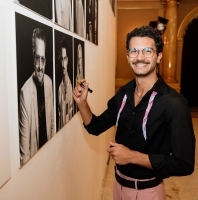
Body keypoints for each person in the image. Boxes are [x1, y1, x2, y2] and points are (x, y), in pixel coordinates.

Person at [73, 26, 195, 200]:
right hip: (118, 186)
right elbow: (96, 127)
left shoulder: (174, 103)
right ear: (127, 56)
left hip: (148, 192)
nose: (140, 57)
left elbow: (184, 164)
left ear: (159, 56)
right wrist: (82, 103)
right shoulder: (124, 93)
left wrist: (131, 157)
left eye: (147, 51)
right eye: (134, 51)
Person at [19, 28, 54, 166]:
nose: (40, 66)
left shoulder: (49, 83)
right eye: (37, 58)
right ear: (33, 57)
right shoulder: (25, 93)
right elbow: (24, 155)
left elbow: (52, 124)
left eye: (43, 59)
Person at [58, 36, 74, 130]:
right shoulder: (59, 87)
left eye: (64, 59)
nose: (63, 64)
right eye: (61, 59)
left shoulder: (71, 86)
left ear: (67, 60)